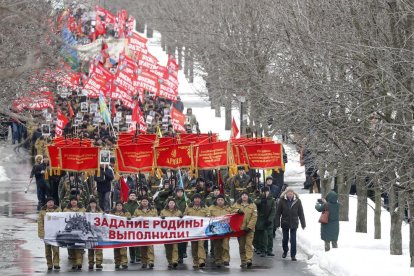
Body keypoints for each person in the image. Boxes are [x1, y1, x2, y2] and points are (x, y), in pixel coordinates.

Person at [275, 187, 306, 261]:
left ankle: (293, 255)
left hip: (294, 223)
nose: (290, 194)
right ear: (286, 193)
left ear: (293, 193)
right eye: (288, 193)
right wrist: (277, 223)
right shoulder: (282, 201)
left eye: (291, 193)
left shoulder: (298, 201)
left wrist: (303, 223)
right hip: (285, 222)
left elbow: (301, 213)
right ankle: (285, 251)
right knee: (285, 239)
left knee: (293, 240)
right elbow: (278, 213)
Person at [232, 191, 257, 268]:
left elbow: (254, 217)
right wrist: (237, 210)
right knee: (242, 246)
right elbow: (230, 210)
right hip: (240, 229)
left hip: (250, 229)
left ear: (248, 196)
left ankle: (249, 259)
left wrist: (249, 227)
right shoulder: (236, 204)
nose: (244, 196)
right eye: (243, 195)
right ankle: (243, 261)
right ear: (241, 196)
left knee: (249, 244)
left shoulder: (253, 205)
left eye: (246, 195)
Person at [183, 194, 208, 269]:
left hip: (202, 231)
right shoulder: (189, 208)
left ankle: (201, 260)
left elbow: (208, 216)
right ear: (193, 199)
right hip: (193, 231)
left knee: (201, 245)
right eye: (195, 198)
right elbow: (184, 216)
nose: (197, 200)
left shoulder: (205, 207)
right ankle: (195, 261)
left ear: (200, 199)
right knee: (194, 247)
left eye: (198, 198)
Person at [63, 196, 86, 270]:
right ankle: (73, 263)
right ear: (70, 201)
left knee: (79, 247)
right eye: (72, 200)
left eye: (75, 200)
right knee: (71, 247)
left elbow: (88, 217)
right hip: (70, 232)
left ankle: (79, 262)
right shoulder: (66, 210)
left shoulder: (83, 209)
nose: (73, 202)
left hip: (79, 231)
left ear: (77, 201)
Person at [208, 194, 232, 267]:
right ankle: (218, 259)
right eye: (219, 200)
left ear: (224, 201)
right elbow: (207, 215)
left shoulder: (228, 208)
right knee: (217, 246)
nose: (220, 201)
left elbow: (233, 215)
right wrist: (209, 216)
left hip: (225, 230)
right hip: (216, 231)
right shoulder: (211, 208)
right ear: (216, 200)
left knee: (225, 245)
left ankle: (226, 260)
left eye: (222, 200)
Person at [134, 196, 157, 269]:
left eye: (146, 201)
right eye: (143, 201)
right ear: (141, 202)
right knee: (143, 248)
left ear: (148, 202)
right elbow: (134, 218)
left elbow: (156, 219)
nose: (144, 202)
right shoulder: (137, 210)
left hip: (150, 232)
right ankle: (144, 262)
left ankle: (151, 262)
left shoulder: (153, 210)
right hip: (141, 232)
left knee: (150, 247)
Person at [38, 197, 61, 271]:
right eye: (49, 202)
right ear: (46, 203)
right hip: (47, 234)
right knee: (48, 250)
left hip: (55, 234)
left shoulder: (58, 210)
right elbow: (40, 223)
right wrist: (41, 234)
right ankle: (49, 264)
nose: (50, 203)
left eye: (52, 202)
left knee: (56, 249)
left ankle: (56, 263)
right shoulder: (42, 212)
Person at [254, 187, 276, 257]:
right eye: (263, 192)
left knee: (270, 235)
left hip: (268, 220)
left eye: (266, 191)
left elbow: (273, 211)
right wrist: (261, 201)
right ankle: (262, 250)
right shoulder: (258, 198)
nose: (265, 193)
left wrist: (270, 220)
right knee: (261, 236)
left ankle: (269, 250)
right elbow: (255, 203)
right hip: (260, 220)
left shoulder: (272, 200)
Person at [160, 198, 181, 269]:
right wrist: (161, 218)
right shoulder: (163, 211)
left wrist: (181, 218)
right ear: (168, 204)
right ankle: (169, 261)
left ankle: (175, 261)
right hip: (166, 233)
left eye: (173, 203)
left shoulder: (178, 212)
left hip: (175, 233)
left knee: (175, 247)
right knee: (168, 248)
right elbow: (158, 222)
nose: (171, 204)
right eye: (170, 203)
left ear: (175, 204)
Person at [111, 201, 131, 270]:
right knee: (116, 249)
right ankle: (117, 263)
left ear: (122, 206)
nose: (119, 206)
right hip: (115, 234)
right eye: (118, 205)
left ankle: (124, 263)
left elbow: (131, 222)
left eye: (120, 205)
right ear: (116, 206)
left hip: (123, 234)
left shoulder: (127, 213)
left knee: (123, 249)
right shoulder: (112, 214)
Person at [86, 198, 103, 270]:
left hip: (98, 233)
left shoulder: (100, 211)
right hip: (89, 233)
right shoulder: (86, 212)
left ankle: (98, 263)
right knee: (90, 248)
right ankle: (91, 263)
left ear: (96, 204)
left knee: (98, 248)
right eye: (91, 203)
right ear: (89, 204)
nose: (93, 205)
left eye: (94, 203)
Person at [123, 190, 140, 264]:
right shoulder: (125, 205)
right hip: (128, 226)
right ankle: (132, 257)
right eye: (131, 195)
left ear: (136, 196)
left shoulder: (139, 205)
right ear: (129, 196)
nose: (132, 196)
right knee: (131, 243)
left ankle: (138, 256)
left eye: (134, 195)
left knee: (138, 241)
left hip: (138, 226)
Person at [174, 187, 190, 263]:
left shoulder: (187, 201)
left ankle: (183, 252)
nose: (180, 193)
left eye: (181, 192)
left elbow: (189, 209)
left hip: (184, 222)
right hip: (175, 222)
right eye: (178, 192)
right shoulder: (173, 200)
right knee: (177, 240)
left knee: (184, 239)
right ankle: (178, 256)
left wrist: (185, 215)